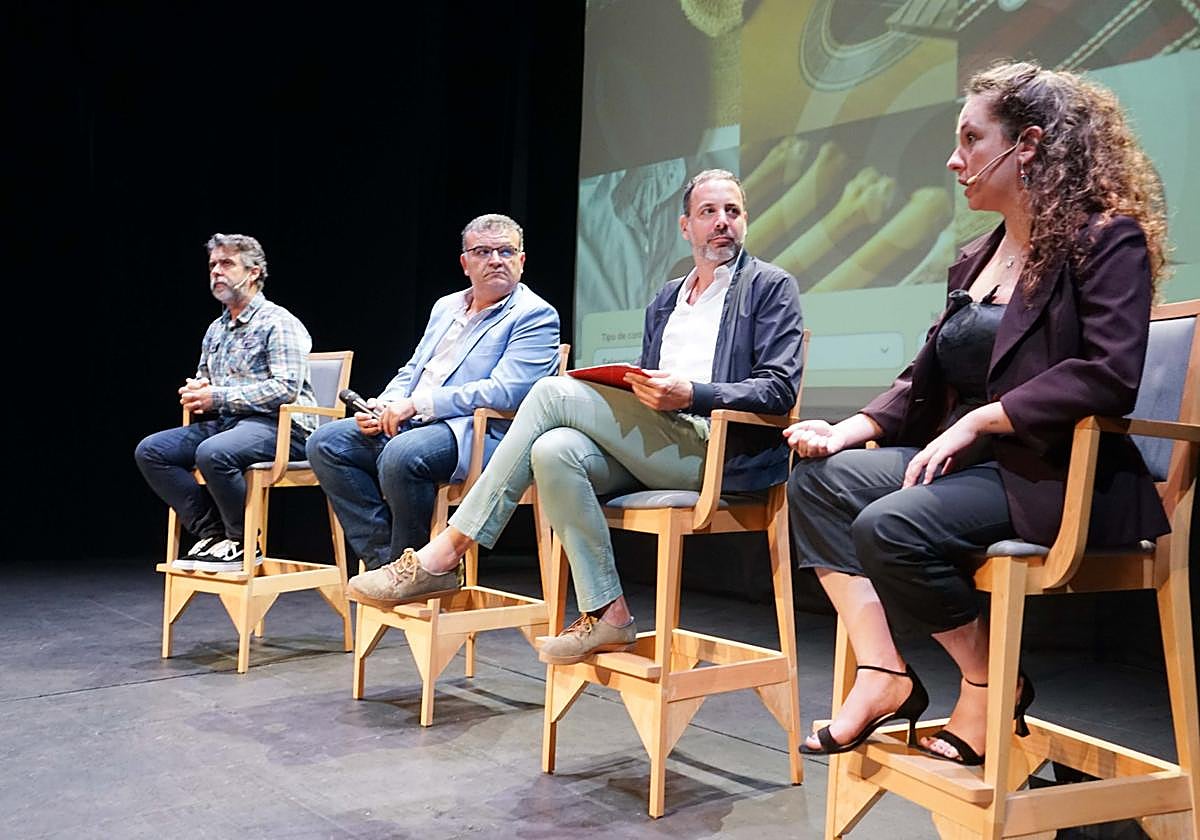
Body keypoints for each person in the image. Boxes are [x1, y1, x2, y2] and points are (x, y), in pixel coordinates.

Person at [786, 60, 1170, 765]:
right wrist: (848, 430)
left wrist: (984, 417)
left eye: (970, 138)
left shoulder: (1105, 239)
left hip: (1051, 471)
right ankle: (884, 672)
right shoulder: (977, 256)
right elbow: (924, 373)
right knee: (816, 481)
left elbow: (1111, 374)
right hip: (969, 464)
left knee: (889, 525)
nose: (953, 159)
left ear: (1027, 144)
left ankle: (988, 682)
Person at [346, 169, 805, 664]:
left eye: (732, 211)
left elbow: (778, 388)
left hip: (717, 448)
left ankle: (446, 551)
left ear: (745, 220)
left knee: (549, 391)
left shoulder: (770, 286)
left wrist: (692, 393)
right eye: (708, 212)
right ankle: (609, 614)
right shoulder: (668, 297)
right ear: (685, 226)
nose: (721, 222)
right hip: (661, 441)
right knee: (553, 450)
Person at [305, 213, 560, 572]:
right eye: (483, 252)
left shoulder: (535, 315)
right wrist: (386, 404)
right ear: (465, 263)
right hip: (419, 421)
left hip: (478, 431)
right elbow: (415, 369)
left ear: (522, 260)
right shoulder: (446, 307)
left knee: (402, 455)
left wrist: (418, 404)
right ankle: (389, 565)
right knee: (326, 443)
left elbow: (508, 391)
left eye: (506, 251)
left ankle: (414, 570)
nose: (495, 260)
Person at [135, 233, 318, 572]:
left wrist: (216, 395)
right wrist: (198, 390)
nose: (216, 271)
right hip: (231, 424)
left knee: (214, 452)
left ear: (253, 272)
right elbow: (207, 379)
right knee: (152, 451)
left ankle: (243, 541)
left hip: (283, 428)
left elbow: (285, 388)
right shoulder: (216, 330)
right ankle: (213, 532)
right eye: (212, 265)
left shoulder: (278, 322)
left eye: (227, 263)